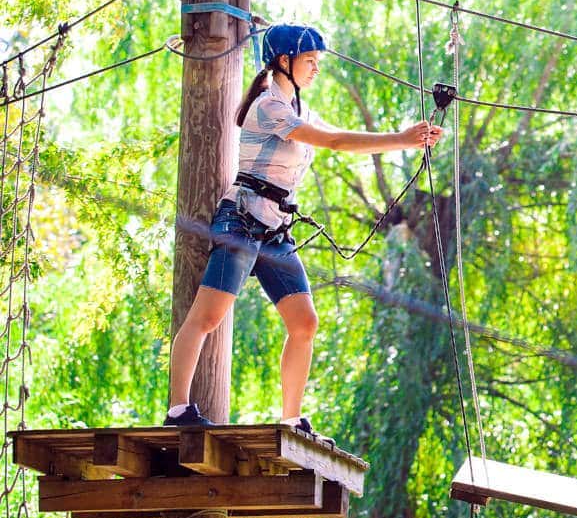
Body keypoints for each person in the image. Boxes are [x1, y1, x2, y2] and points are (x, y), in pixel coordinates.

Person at [165, 23, 442, 435]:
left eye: (317, 62)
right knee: (207, 316)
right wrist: (402, 139)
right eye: (309, 61)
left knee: (304, 323)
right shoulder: (268, 106)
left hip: (275, 229)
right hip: (241, 221)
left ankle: (291, 419)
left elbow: (338, 137)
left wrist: (408, 140)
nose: (315, 68)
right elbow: (335, 142)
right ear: (283, 61)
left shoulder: (299, 111)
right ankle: (177, 411)